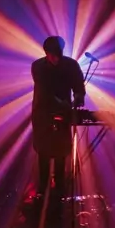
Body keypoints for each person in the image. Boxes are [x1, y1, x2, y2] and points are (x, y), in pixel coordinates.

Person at [31, 35, 85, 197]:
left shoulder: (71, 65)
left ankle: (59, 189)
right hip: (42, 114)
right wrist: (63, 105)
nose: (57, 58)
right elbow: (45, 92)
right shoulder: (38, 66)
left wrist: (78, 97)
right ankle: (43, 189)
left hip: (63, 113)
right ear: (46, 53)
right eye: (53, 55)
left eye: (59, 54)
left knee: (61, 151)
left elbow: (79, 86)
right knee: (44, 151)